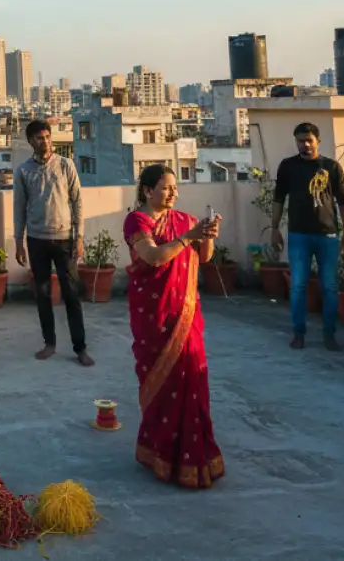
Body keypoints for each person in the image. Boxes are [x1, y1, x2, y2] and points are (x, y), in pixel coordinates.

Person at [123, 164, 224, 489]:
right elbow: (153, 257)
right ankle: (159, 452)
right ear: (148, 190)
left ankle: (194, 457)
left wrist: (206, 237)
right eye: (165, 187)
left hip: (185, 313)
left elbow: (203, 258)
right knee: (161, 385)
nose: (173, 193)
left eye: (175, 187)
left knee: (191, 380)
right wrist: (189, 237)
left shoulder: (185, 221)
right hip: (155, 316)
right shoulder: (137, 220)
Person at [12, 121, 92, 366]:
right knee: (43, 294)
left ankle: (80, 347)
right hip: (37, 240)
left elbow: (77, 202)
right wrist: (18, 241)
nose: (44, 141)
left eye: (47, 136)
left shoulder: (66, 166)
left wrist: (79, 238)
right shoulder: (23, 171)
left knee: (70, 294)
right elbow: (19, 208)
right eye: (38, 138)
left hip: (65, 239)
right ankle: (50, 342)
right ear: (31, 142)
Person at [270, 122, 344, 351]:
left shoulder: (331, 167)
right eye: (300, 140)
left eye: (308, 140)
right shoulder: (288, 167)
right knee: (297, 286)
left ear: (317, 141)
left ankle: (329, 334)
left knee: (329, 287)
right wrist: (274, 229)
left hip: (328, 236)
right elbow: (278, 199)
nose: (304, 144)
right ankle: (299, 333)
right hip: (298, 235)